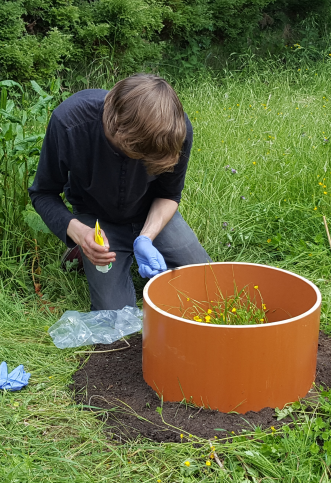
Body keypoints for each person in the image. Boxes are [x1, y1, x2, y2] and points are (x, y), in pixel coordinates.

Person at [28, 74, 211, 310]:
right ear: (114, 128)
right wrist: (80, 233)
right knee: (114, 315)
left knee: (207, 285)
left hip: (151, 213)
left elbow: (169, 195)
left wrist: (146, 237)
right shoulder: (69, 122)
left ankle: (136, 245)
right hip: (97, 219)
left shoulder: (175, 130)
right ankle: (81, 252)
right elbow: (43, 193)